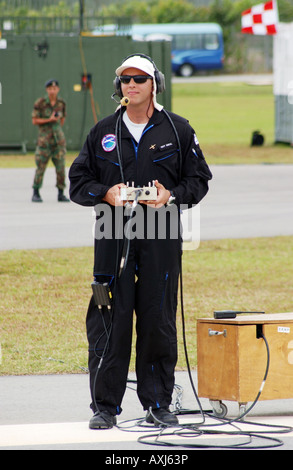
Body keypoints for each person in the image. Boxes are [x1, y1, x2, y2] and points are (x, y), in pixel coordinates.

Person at [69, 54, 212, 429]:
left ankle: (158, 403)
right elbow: (77, 183)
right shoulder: (102, 130)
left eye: (139, 79)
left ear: (155, 85)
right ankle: (104, 407)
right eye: (125, 80)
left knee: (157, 320)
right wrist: (105, 193)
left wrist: (171, 196)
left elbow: (199, 182)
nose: (130, 85)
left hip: (161, 237)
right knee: (107, 319)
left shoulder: (178, 130)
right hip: (111, 236)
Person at [31, 79, 69, 202]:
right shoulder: (40, 103)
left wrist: (56, 125)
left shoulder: (61, 103)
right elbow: (35, 120)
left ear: (57, 89)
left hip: (58, 142)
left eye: (54, 88)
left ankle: (61, 193)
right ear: (47, 90)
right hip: (44, 142)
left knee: (61, 168)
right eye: (50, 89)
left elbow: (62, 120)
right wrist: (49, 120)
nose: (52, 91)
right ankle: (36, 192)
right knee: (40, 167)